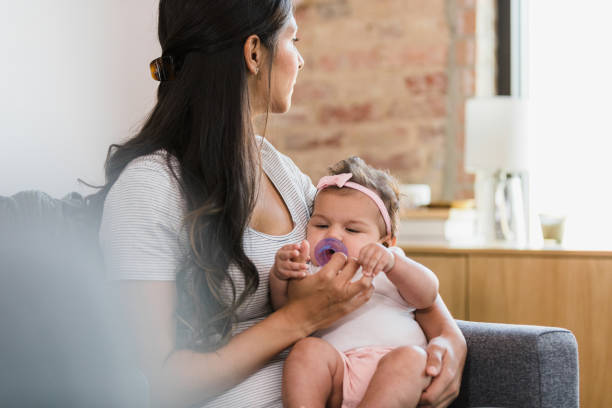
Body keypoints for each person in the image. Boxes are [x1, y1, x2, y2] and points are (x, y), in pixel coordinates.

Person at [95, 1, 466, 407]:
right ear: (254, 53)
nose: (301, 60)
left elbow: (380, 263)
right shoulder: (149, 189)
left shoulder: (281, 172)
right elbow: (159, 382)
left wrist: (450, 337)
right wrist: (299, 318)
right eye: (294, 40)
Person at [270, 157, 440, 408]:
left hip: (392, 367)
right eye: (321, 224)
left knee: (413, 359)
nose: (333, 235)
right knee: (306, 351)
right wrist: (280, 275)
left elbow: (428, 294)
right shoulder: (310, 268)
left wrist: (394, 264)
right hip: (338, 369)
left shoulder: (391, 264)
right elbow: (284, 308)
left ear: (386, 240)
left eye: (352, 230)